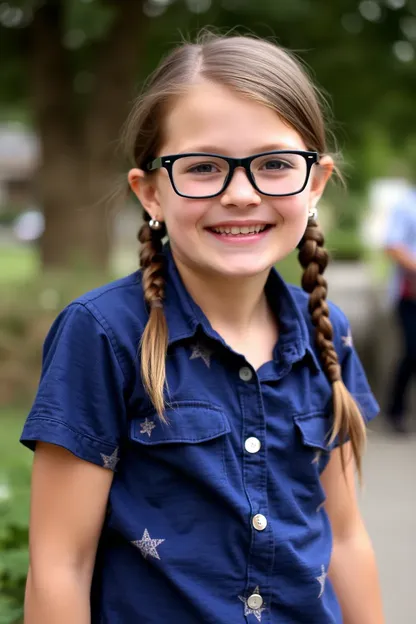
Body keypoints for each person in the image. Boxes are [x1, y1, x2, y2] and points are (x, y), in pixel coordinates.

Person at [20, 34, 384, 623]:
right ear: (151, 192)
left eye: (273, 164)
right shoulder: (103, 335)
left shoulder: (327, 331)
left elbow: (344, 539)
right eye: (203, 167)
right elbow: (61, 563)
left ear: (315, 183)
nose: (240, 194)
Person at [384, 187, 416, 434]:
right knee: (413, 351)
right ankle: (395, 410)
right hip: (410, 295)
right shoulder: (407, 204)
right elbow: (393, 246)